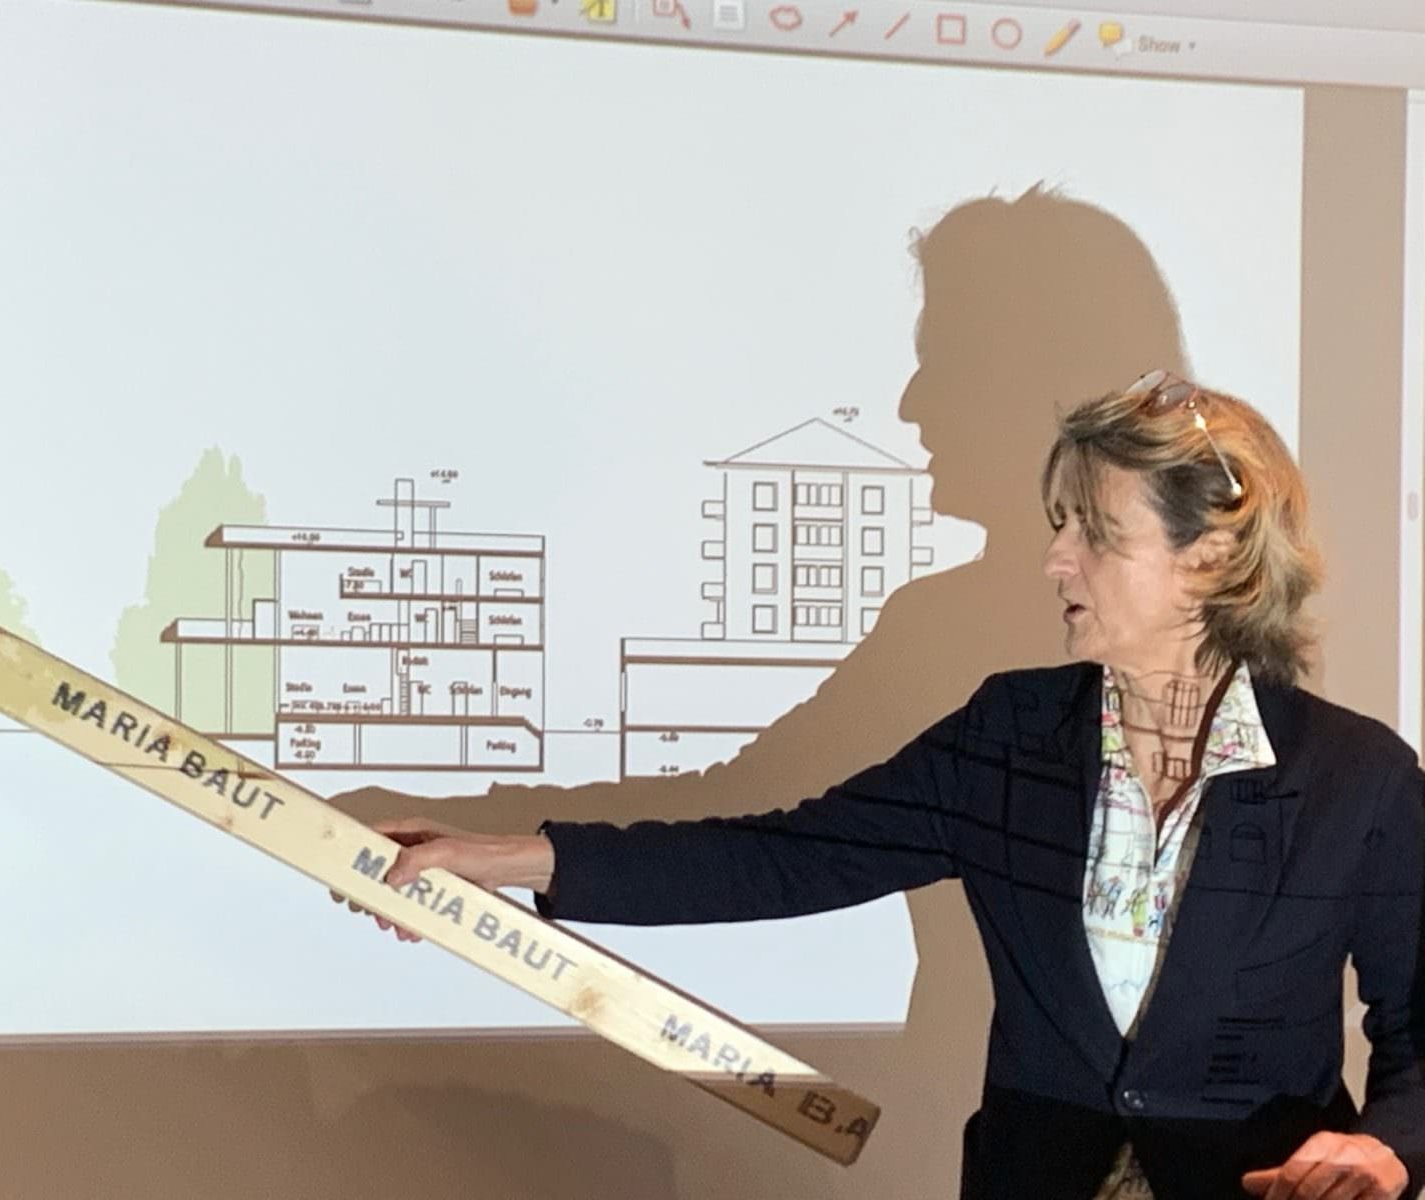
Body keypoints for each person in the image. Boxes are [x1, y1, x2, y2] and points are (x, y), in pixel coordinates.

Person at [335, 369, 1425, 1200]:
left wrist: (1385, 1149)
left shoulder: (1360, 780)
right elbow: (783, 856)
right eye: (1058, 527)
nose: (1055, 561)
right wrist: (509, 859)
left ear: (1211, 560)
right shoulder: (1011, 733)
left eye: (1094, 533)